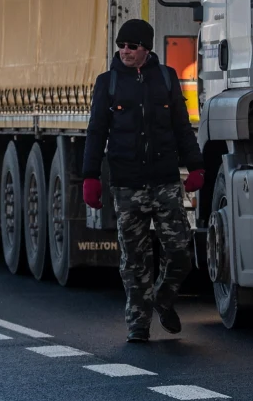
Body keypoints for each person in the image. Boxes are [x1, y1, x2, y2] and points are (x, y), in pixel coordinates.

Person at [82, 18, 205, 343]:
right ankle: (138, 323)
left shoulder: (166, 78)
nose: (125, 51)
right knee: (134, 260)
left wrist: (195, 166)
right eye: (121, 46)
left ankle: (163, 297)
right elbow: (96, 132)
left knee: (180, 252)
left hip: (164, 182)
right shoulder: (107, 83)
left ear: (146, 49)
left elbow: (181, 126)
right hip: (127, 185)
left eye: (132, 46)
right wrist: (90, 176)